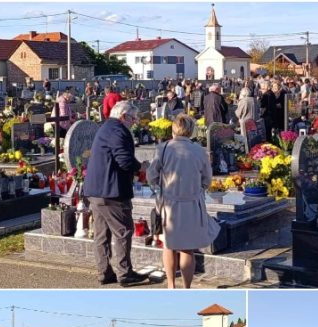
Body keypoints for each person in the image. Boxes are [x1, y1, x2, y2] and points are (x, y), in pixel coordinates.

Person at [147, 114, 221, 288]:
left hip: (169, 205)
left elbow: (151, 176)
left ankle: (171, 285)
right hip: (192, 204)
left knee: (168, 245)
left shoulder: (163, 148)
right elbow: (207, 180)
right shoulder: (199, 151)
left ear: (173, 129)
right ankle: (187, 287)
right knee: (187, 249)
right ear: (190, 131)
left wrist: (161, 185)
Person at [84, 101, 148, 287]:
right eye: (133, 119)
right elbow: (124, 160)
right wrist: (141, 167)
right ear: (123, 116)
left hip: (96, 190)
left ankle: (104, 272)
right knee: (123, 231)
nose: (134, 123)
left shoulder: (106, 128)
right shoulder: (118, 131)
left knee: (102, 234)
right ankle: (125, 273)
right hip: (111, 191)